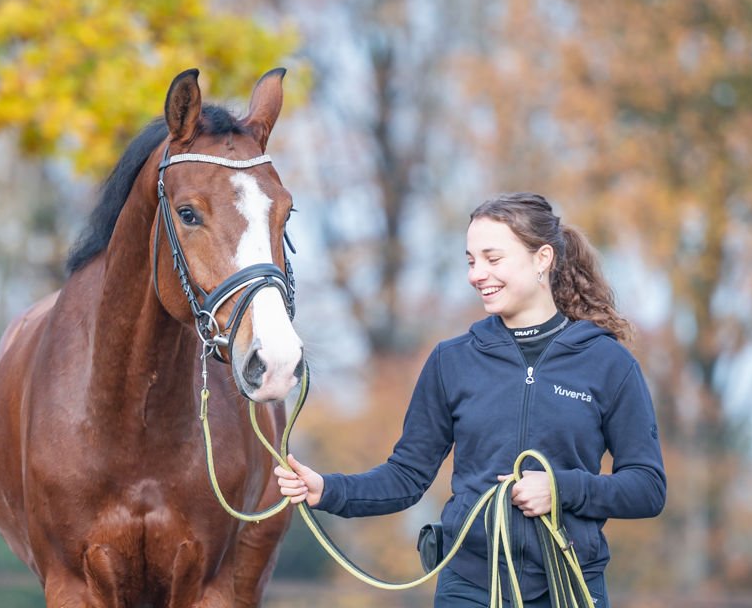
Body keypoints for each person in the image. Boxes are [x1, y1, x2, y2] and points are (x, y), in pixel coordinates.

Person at [276, 192, 666, 608]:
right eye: (470, 260)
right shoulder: (452, 361)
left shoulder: (608, 363)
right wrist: (327, 490)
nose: (476, 274)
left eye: (492, 259)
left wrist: (560, 489)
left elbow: (647, 487)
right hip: (469, 588)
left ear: (542, 259)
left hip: (570, 585)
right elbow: (407, 476)